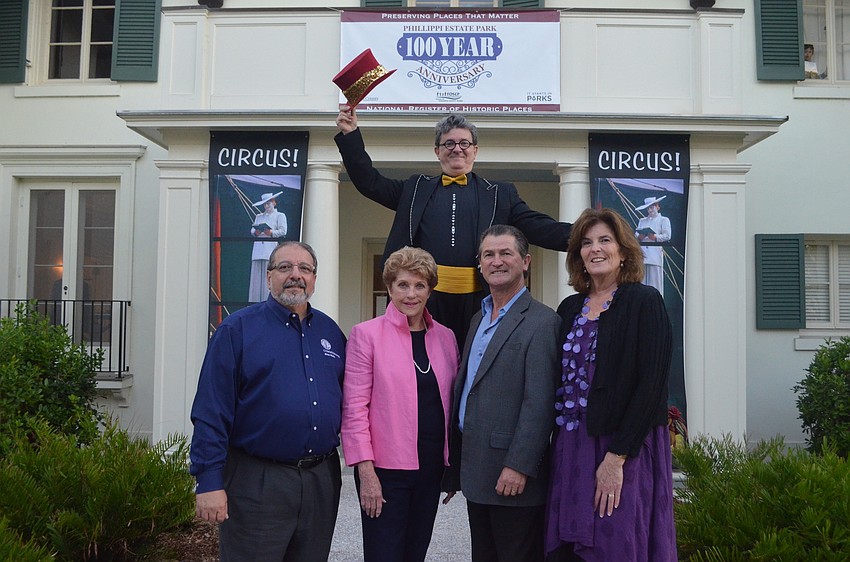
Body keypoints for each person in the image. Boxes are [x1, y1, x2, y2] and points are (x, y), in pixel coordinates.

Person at [335, 108, 571, 348]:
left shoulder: (500, 194)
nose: (457, 148)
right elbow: (369, 182)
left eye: (464, 143)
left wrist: (586, 237)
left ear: (475, 151)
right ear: (437, 151)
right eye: (448, 144)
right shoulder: (415, 189)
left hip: (478, 301)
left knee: (472, 367)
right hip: (425, 300)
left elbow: (540, 227)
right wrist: (351, 135)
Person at [190, 241, 346, 562]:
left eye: (305, 268)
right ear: (269, 276)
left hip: (321, 480)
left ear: (314, 278)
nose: (295, 275)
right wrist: (208, 482)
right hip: (257, 482)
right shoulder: (237, 330)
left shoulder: (331, 333)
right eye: (285, 267)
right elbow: (211, 411)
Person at [546, 208, 676, 561]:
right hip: (572, 445)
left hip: (623, 446)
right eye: (586, 243)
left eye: (605, 240)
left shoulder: (644, 301)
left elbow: (652, 386)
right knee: (570, 547)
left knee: (615, 541)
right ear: (578, 256)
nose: (595, 249)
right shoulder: (569, 308)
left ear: (623, 251)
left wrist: (616, 458)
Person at [443, 224, 561, 562]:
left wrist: (519, 465)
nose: (497, 261)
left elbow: (539, 402)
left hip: (513, 476)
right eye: (488, 255)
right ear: (479, 264)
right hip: (477, 470)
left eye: (505, 253)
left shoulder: (542, 322)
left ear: (526, 261)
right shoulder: (477, 320)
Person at [342, 246, 459, 562]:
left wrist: (452, 465)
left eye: (420, 285)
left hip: (431, 467)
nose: (411, 294)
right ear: (389, 287)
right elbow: (354, 408)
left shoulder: (446, 338)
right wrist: (365, 472)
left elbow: (450, 405)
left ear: (430, 290)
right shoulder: (366, 335)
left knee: (415, 554)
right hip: (384, 472)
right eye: (403, 285)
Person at [248, 191, 288, 302]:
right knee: (257, 277)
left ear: (274, 202)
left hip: (270, 249)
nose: (267, 205)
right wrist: (255, 232)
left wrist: (271, 232)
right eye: (265, 204)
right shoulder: (259, 216)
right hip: (258, 249)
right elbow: (253, 229)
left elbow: (283, 231)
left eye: (269, 203)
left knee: (269, 275)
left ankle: (269, 302)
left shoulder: (280, 215)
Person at [634, 195, 671, 297]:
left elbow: (667, 236)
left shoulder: (663, 220)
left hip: (655, 256)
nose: (650, 210)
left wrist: (654, 237)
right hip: (643, 255)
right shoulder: (642, 220)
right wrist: (640, 237)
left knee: (655, 284)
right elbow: (636, 235)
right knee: (641, 283)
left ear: (658, 207)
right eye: (648, 208)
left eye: (652, 207)